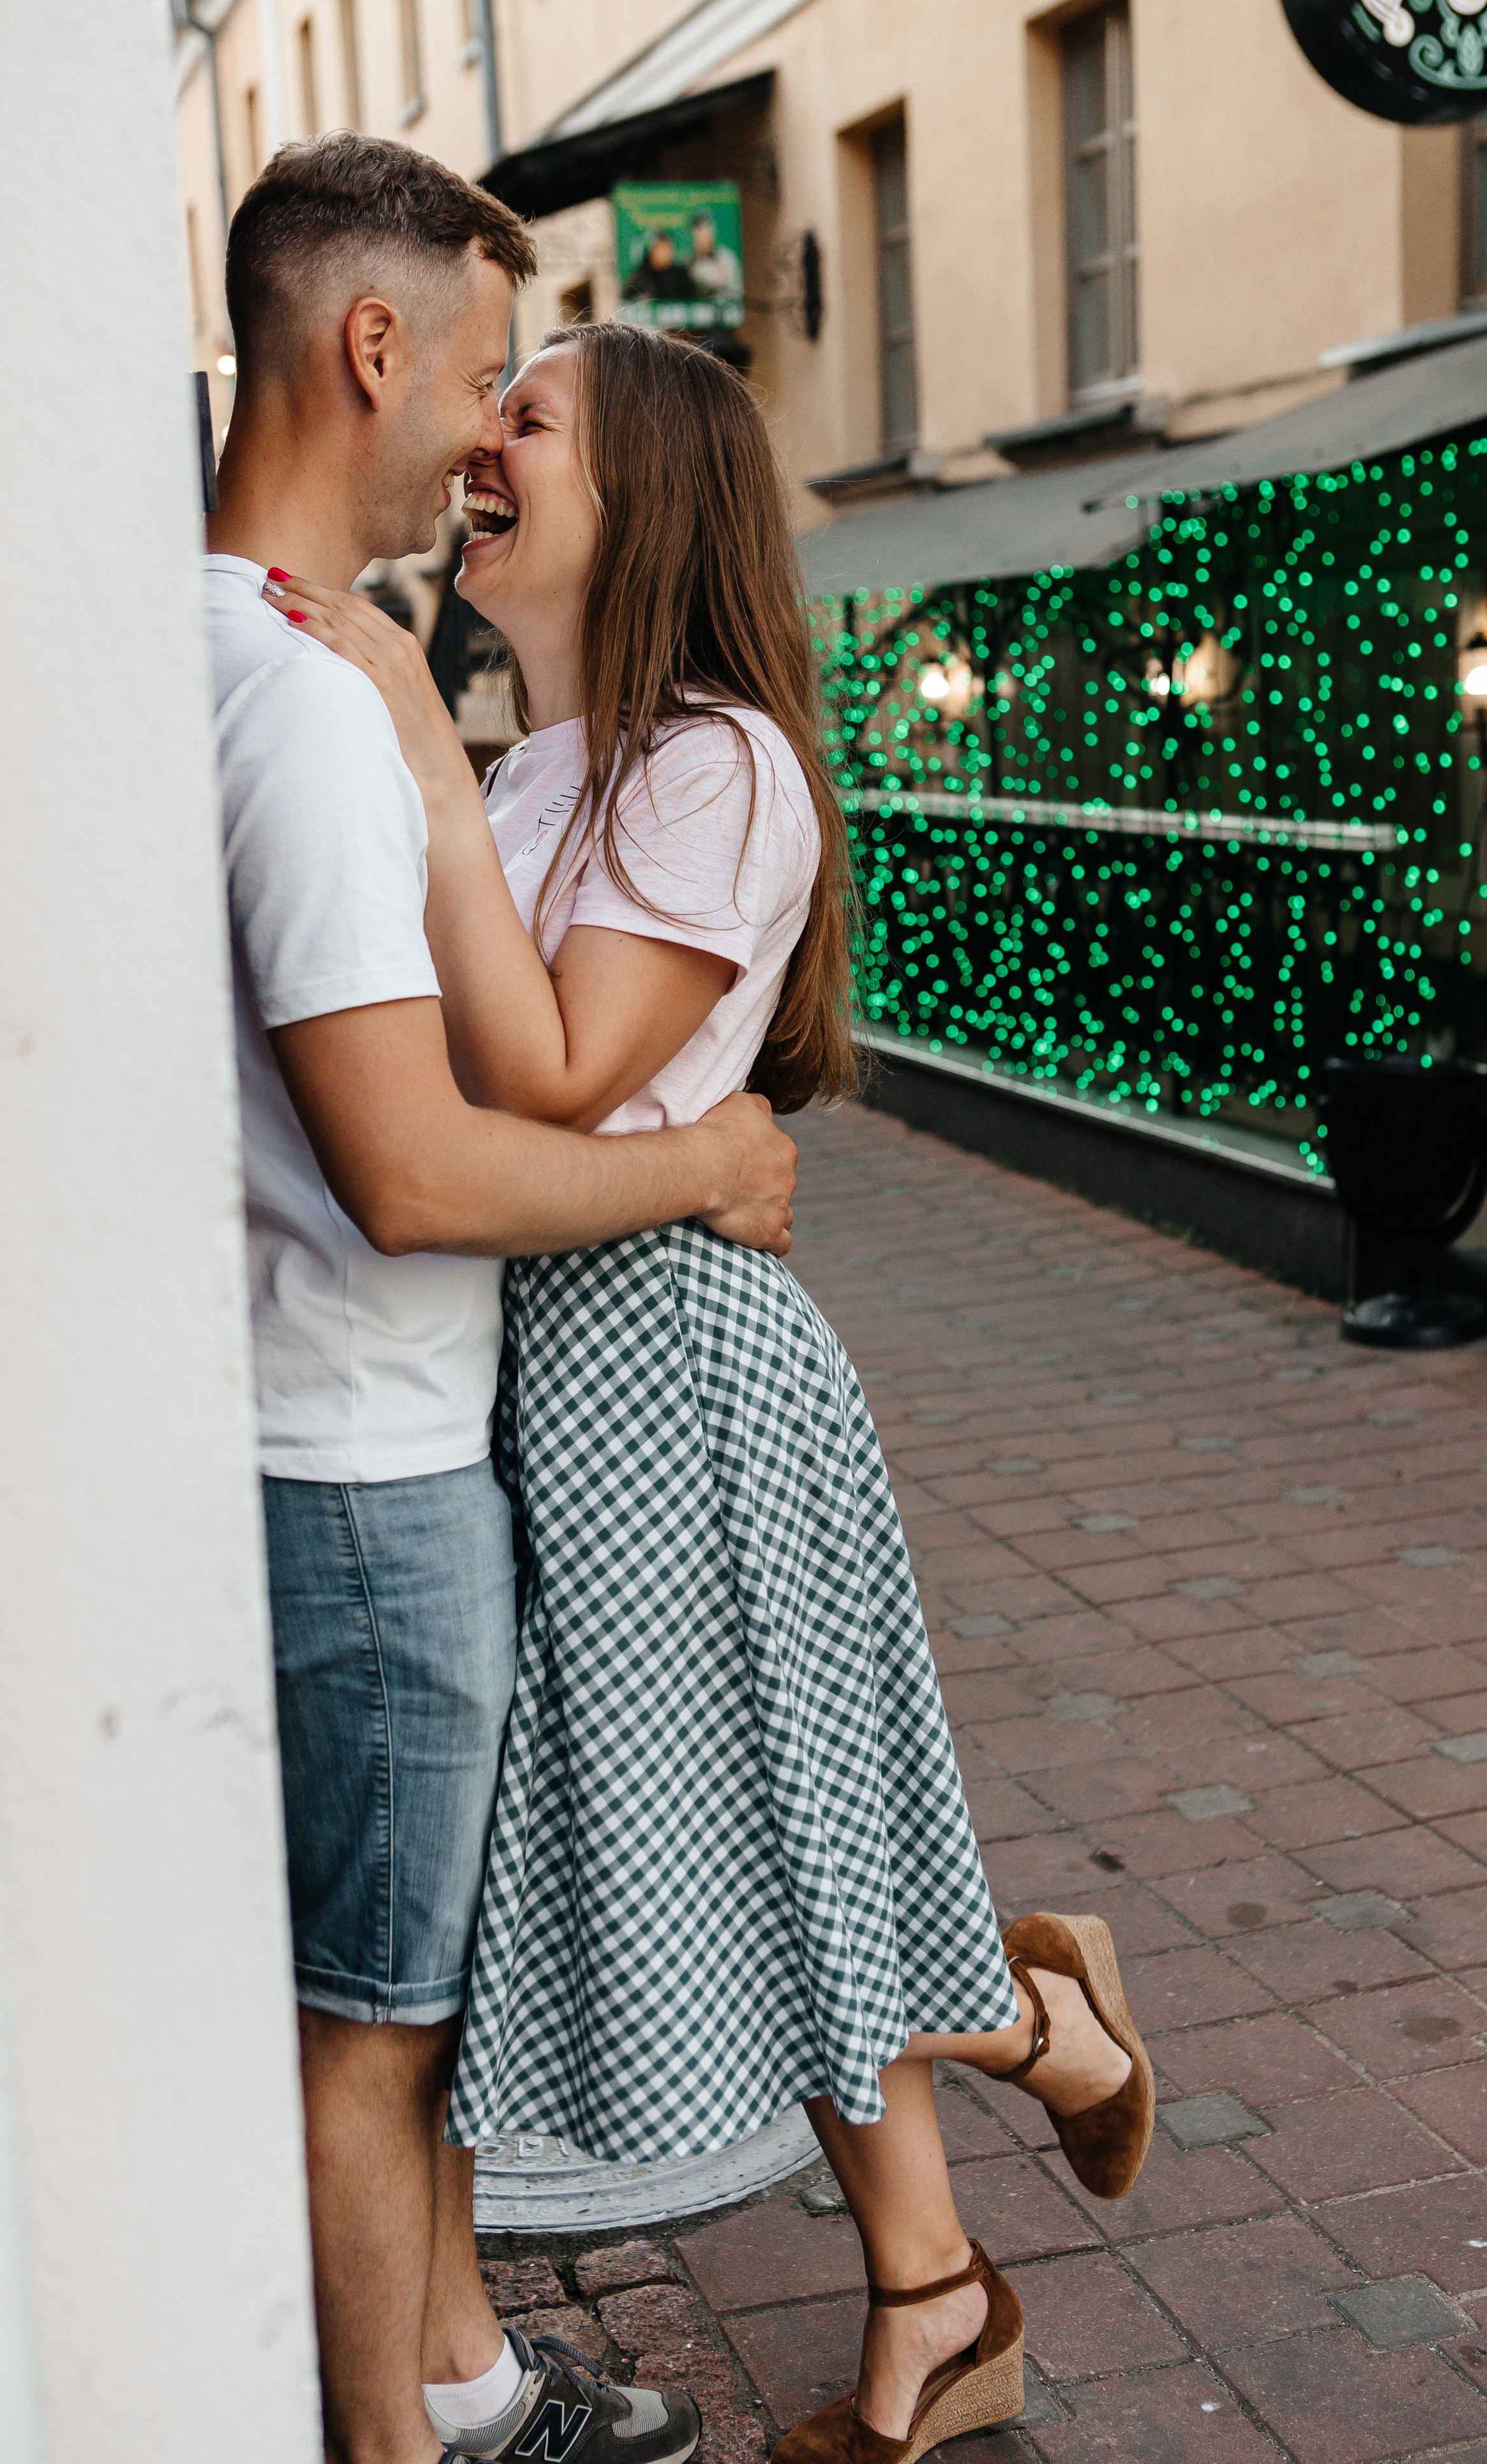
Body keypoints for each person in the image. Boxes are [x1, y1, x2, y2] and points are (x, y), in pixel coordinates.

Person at [268, 321, 1156, 2464]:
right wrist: (439, 768)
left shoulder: (718, 757)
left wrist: (401, 724)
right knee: (741, 1841)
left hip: (683, 1368)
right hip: (557, 1369)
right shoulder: (544, 770)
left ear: (645, 488)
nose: (482, 446)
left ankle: (1037, 2043)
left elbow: (552, 1076)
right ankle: (952, 2255)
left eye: (530, 422)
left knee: (740, 1843)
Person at [202, 135, 798, 2464]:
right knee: (389, 2017)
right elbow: (427, 1155)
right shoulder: (330, 707)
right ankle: (416, 2423)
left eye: (532, 407)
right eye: (484, 373)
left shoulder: (312, 686)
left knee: (488, 1959)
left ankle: (461, 2378)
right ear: (375, 348)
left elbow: (499, 1066)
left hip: (456, 1413)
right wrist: (718, 1160)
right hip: (373, 1438)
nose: (482, 427)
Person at [621, 230, 696, 304]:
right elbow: (627, 302)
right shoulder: (640, 278)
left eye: (668, 248)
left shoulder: (681, 276)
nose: (665, 253)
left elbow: (695, 301)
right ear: (651, 251)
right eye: (661, 248)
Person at [686, 212, 741, 305]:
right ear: (693, 233)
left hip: (729, 311)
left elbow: (738, 290)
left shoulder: (726, 257)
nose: (703, 234)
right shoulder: (688, 264)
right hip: (702, 313)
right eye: (699, 229)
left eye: (706, 228)